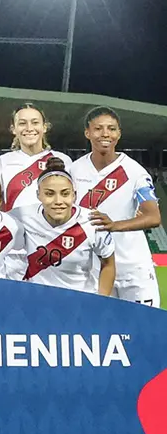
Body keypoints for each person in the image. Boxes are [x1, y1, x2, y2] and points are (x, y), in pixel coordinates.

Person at [69, 106, 161, 306]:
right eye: (98, 128)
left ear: (119, 133)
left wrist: (114, 225)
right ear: (87, 132)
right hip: (94, 268)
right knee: (101, 332)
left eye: (111, 128)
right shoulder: (73, 171)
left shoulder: (135, 172)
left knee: (144, 330)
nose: (105, 134)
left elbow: (153, 217)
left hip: (133, 268)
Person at [13, 157, 115, 295]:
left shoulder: (92, 222)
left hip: (79, 302)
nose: (58, 201)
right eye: (49, 194)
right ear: (38, 195)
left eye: (65, 194)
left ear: (74, 195)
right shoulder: (22, 215)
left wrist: (102, 300)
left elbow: (108, 264)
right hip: (37, 301)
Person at [0, 103, 72, 279]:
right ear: (13, 129)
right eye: (22, 123)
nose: (29, 128)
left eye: (35, 122)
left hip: (52, 249)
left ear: (44, 127)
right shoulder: (2, 162)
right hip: (14, 252)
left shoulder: (62, 160)